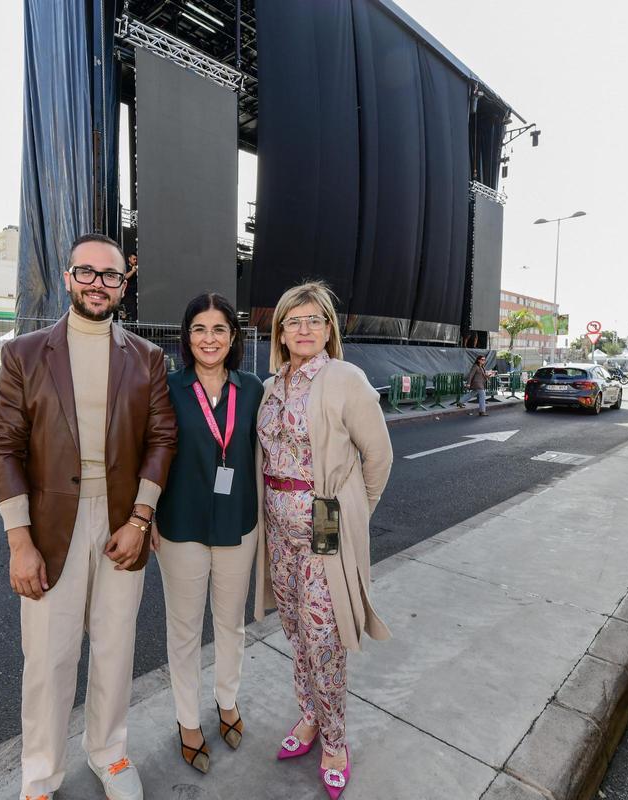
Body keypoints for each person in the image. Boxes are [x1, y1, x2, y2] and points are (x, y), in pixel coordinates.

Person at [0, 233, 177, 800]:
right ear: (68, 278)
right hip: (49, 529)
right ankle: (40, 775)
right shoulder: (24, 353)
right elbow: (4, 448)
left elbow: (162, 440)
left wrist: (140, 520)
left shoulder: (147, 358)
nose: (99, 283)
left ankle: (110, 754)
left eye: (111, 275)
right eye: (86, 272)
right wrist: (19, 542)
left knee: (116, 649)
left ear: (125, 283)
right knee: (48, 660)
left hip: (123, 524)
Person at [253, 281, 393, 799]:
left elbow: (378, 458)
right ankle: (308, 716)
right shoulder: (272, 386)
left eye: (315, 319)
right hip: (277, 528)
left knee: (324, 637)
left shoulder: (344, 378)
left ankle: (334, 740)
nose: (305, 328)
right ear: (281, 333)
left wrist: (353, 514)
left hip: (323, 523)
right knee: (295, 629)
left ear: (329, 329)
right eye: (294, 321)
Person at [151, 293, 263, 774]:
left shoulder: (253, 388)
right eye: (199, 329)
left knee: (231, 624)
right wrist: (145, 516)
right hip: (181, 526)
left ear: (233, 337)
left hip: (238, 523)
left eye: (219, 329)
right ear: (186, 336)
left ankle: (227, 700)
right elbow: (148, 452)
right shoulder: (166, 388)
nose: (209, 338)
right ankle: (186, 720)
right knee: (184, 631)